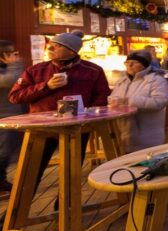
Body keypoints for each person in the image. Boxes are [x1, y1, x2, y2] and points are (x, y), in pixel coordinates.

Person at [8, 32, 110, 193]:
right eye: (51, 43)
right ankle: (16, 213)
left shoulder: (93, 71)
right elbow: (15, 96)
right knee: (31, 170)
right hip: (42, 130)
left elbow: (102, 96)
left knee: (72, 172)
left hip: (76, 129)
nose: (51, 47)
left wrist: (88, 116)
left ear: (72, 51)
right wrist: (46, 86)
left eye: (58, 45)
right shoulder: (35, 70)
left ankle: (66, 208)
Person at [109, 49, 168, 152]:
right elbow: (114, 98)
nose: (129, 65)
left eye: (134, 63)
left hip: (146, 135)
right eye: (127, 63)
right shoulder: (122, 81)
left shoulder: (156, 80)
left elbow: (159, 102)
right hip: (123, 133)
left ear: (144, 65)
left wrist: (128, 101)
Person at [0, 41, 26, 198]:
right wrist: (14, 65)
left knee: (7, 150)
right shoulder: (10, 69)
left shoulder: (9, 68)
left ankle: (2, 182)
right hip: (2, 116)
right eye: (10, 53)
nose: (14, 56)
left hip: (11, 115)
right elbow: (8, 81)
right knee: (2, 151)